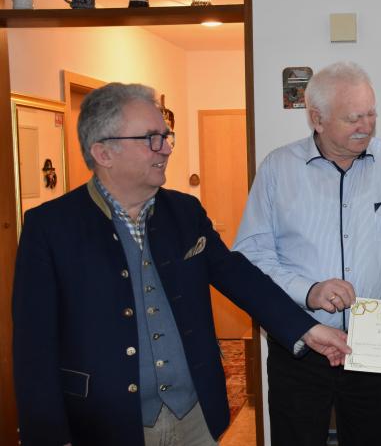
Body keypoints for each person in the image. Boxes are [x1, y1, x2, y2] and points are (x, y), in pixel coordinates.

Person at [12, 82, 351, 446]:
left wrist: (308, 330)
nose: (167, 148)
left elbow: (240, 277)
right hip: (102, 423)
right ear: (103, 152)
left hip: (194, 417)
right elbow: (34, 349)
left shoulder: (185, 212)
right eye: (152, 139)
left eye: (166, 136)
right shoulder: (49, 227)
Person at [233, 61, 381, 446]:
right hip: (299, 345)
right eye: (353, 117)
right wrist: (308, 290)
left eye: (371, 113)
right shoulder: (279, 168)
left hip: (374, 346)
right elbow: (249, 254)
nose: (367, 125)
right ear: (317, 118)